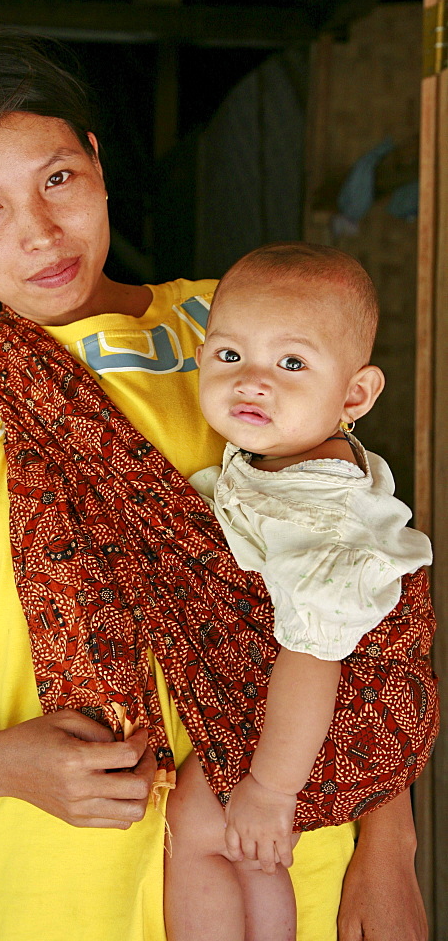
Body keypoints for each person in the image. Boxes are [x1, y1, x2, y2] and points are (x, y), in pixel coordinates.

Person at [0, 29, 430, 941]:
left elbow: (358, 589)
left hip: (282, 854)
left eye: (57, 179)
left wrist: (391, 853)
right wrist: (1, 765)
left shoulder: (239, 340)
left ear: (98, 164)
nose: (37, 232)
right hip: (48, 887)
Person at [164, 243, 437, 941]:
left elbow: (315, 652)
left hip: (334, 720)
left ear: (354, 396)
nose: (253, 383)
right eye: (229, 357)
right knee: (246, 848)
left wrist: (270, 790)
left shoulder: (319, 515)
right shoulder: (293, 453)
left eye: (291, 364)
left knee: (203, 821)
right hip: (317, 710)